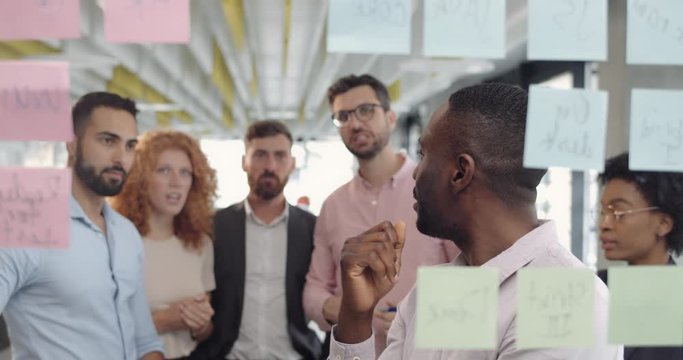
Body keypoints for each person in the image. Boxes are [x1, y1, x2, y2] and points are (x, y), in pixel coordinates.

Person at [329, 83, 623, 359]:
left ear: (460, 172)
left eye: (424, 154)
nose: (416, 174)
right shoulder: (431, 293)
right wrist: (355, 317)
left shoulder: (568, 301)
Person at [0, 92, 164, 359]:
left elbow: (145, 341)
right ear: (72, 144)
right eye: (108, 140)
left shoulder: (126, 234)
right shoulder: (26, 228)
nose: (121, 158)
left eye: (130, 145)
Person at [303, 74, 459, 353]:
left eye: (365, 110)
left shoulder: (437, 190)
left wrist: (418, 318)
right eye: (343, 116)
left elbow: (472, 278)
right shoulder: (333, 205)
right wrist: (341, 308)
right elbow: (313, 289)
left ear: (390, 117)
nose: (354, 122)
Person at [190, 120, 322, 360]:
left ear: (292, 164)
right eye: (260, 155)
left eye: (280, 156)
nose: (270, 165)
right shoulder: (214, 225)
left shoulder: (313, 228)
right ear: (244, 162)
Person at [111, 130, 218, 359]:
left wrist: (200, 325)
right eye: (163, 170)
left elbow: (205, 332)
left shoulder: (200, 244)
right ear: (140, 178)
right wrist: (161, 322)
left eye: (185, 173)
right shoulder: (116, 243)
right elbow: (96, 331)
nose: (176, 182)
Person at [597, 152, 683, 360]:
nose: (604, 224)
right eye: (602, 211)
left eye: (619, 212)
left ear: (663, 224)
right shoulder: (596, 289)